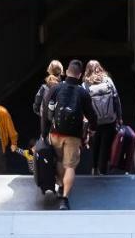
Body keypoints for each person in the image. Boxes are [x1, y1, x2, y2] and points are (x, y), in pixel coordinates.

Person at [45, 59, 97, 209]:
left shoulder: (55, 89)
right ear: (80, 75)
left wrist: (44, 132)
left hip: (55, 133)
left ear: (67, 72)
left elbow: (46, 112)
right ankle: (65, 199)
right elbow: (92, 116)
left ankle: (60, 185)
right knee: (70, 166)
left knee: (60, 161)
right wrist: (92, 129)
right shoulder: (83, 93)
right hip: (73, 136)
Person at [83, 60, 123, 176]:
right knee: (106, 145)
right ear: (100, 68)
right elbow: (116, 99)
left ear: (87, 70)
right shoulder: (108, 81)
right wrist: (119, 117)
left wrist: (86, 122)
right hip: (110, 120)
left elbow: (84, 105)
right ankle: (103, 171)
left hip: (95, 122)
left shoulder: (86, 85)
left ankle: (94, 168)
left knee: (95, 144)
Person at [33, 60, 64, 135]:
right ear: (61, 71)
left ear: (49, 70)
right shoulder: (64, 87)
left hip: (45, 119)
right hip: (59, 121)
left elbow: (37, 102)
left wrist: (38, 111)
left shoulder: (44, 88)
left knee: (45, 140)